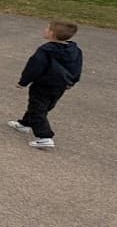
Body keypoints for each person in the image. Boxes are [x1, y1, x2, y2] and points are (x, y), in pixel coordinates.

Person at [8, 20, 83, 149]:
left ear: (52, 34)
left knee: (38, 108)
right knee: (42, 106)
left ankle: (45, 137)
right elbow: (77, 68)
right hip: (60, 86)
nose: (44, 30)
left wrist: (23, 82)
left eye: (47, 29)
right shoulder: (75, 50)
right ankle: (25, 124)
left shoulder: (45, 50)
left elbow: (34, 67)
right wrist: (72, 82)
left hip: (43, 85)